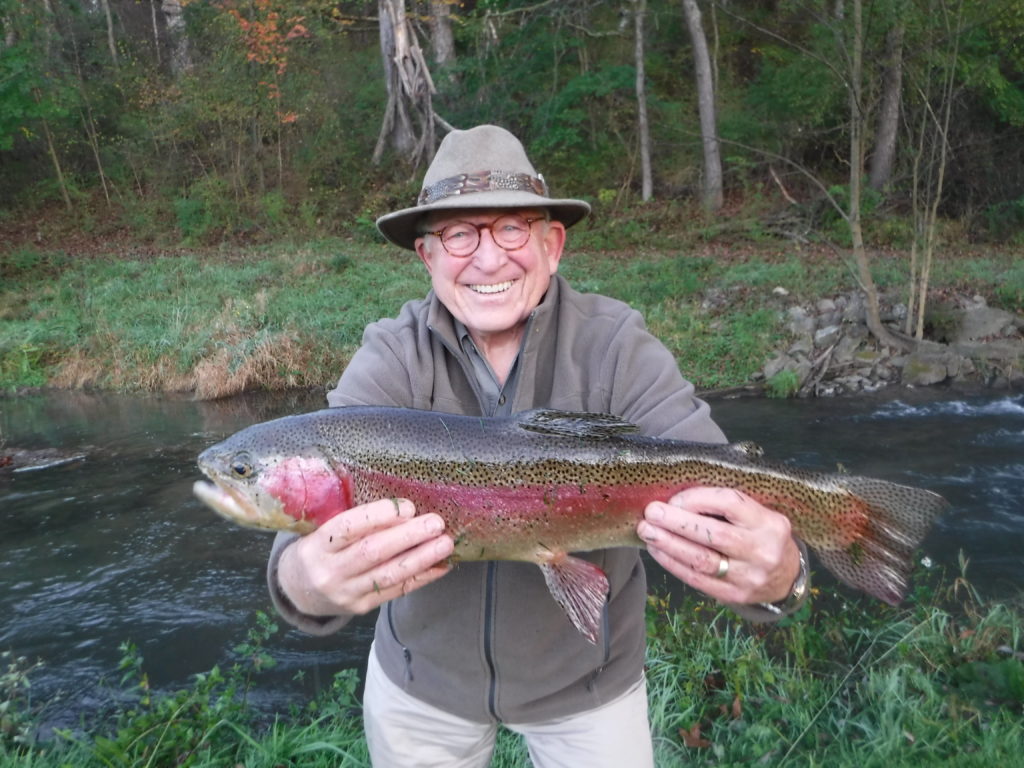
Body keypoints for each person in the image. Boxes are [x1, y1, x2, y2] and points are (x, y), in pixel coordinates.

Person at [267, 125, 808, 767]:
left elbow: (726, 495)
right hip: (421, 690)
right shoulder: (392, 354)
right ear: (427, 257)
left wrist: (782, 579)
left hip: (591, 693)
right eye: (459, 234)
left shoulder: (616, 346)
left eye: (513, 229)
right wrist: (302, 581)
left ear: (553, 246)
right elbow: (305, 519)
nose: (488, 259)